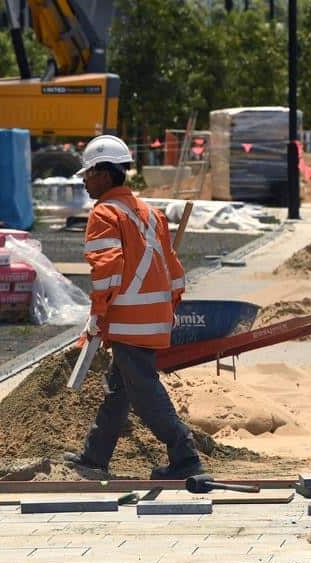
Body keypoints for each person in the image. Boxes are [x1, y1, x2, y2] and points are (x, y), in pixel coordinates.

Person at [64, 135, 205, 480]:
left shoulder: (104, 214)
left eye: (88, 174)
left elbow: (108, 271)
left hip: (128, 320)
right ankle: (95, 456)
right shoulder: (150, 213)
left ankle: (185, 457)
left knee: (143, 391)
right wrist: (164, 311)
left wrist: (97, 317)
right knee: (121, 388)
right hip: (153, 318)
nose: (84, 181)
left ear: (104, 173)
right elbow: (174, 271)